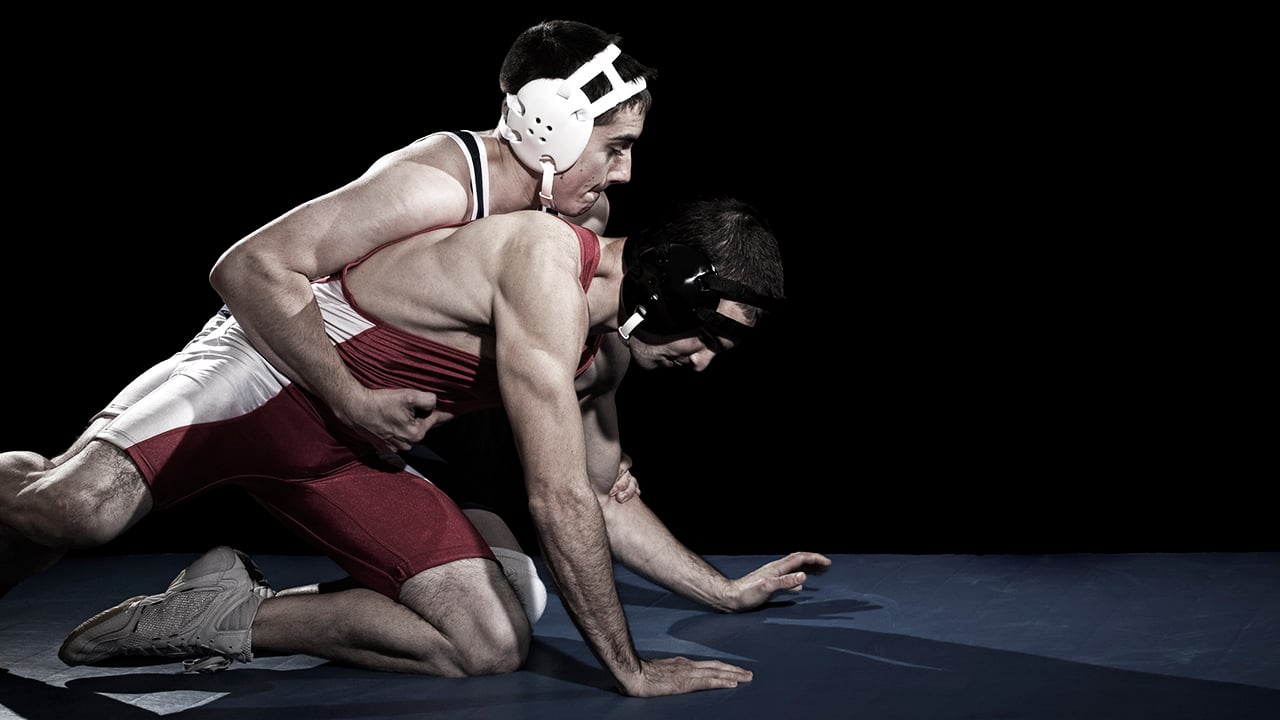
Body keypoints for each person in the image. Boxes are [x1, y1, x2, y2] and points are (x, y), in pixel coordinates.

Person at [0, 197, 831, 698]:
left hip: (350, 454)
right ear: (667, 288)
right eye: (710, 335)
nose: (707, 361)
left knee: (490, 641)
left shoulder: (601, 357)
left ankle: (210, 615)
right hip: (266, 375)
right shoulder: (546, 258)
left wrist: (720, 595)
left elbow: (602, 499)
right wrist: (630, 669)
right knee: (71, 513)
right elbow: (557, 500)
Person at [42, 19, 657, 583]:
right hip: (269, 362)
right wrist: (351, 399)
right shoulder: (440, 180)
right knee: (76, 512)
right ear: (554, 125)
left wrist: (592, 451)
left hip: (364, 416)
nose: (625, 172)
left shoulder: (584, 216)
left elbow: (508, 359)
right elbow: (250, 267)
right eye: (616, 146)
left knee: (496, 619)